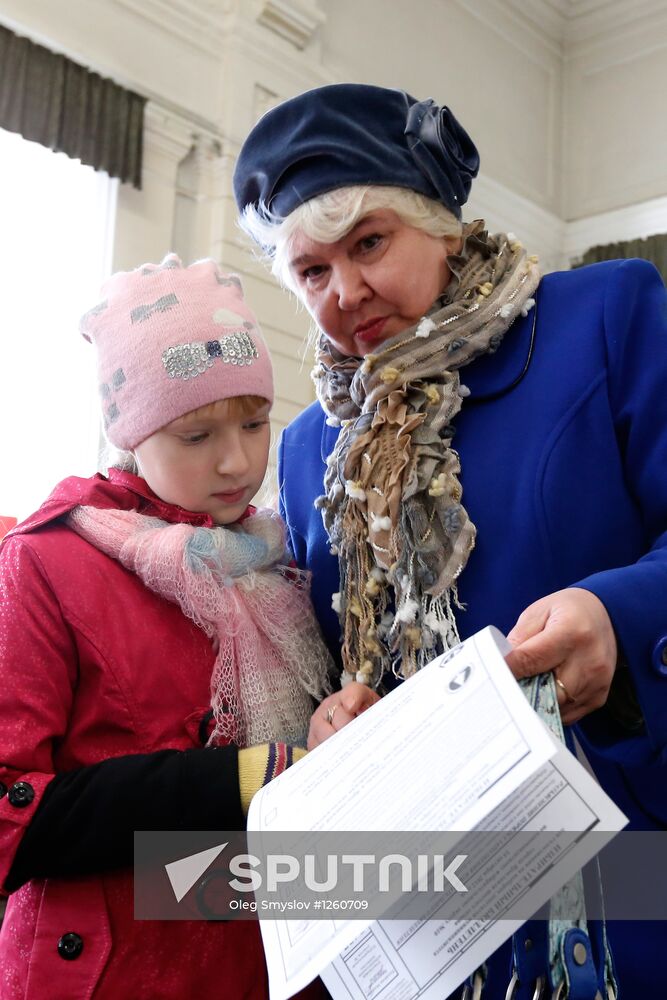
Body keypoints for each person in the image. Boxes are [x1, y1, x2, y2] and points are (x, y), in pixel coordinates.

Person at [233, 83, 667, 998]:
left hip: (626, 871)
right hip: (425, 924)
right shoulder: (311, 445)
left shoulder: (606, 319)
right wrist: (329, 717)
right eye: (311, 272)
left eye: (369, 243)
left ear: (438, 223)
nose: (346, 292)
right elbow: (337, 659)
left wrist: (617, 619)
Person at [0, 254, 334, 999]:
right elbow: (8, 815)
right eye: (194, 437)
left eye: (254, 423)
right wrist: (249, 777)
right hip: (112, 973)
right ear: (131, 430)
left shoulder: (278, 557)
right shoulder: (48, 561)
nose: (237, 461)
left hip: (273, 959)